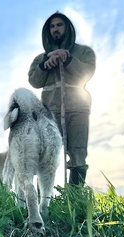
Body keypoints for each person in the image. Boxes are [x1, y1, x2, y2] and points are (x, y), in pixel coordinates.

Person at [28, 12, 96, 186]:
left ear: (67, 28)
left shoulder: (84, 52)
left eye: (59, 25)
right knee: (46, 152)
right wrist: (45, 65)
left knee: (78, 152)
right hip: (50, 111)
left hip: (78, 108)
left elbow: (87, 73)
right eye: (52, 26)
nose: (55, 29)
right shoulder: (40, 58)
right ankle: (43, 201)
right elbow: (34, 81)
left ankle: (75, 199)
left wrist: (68, 59)